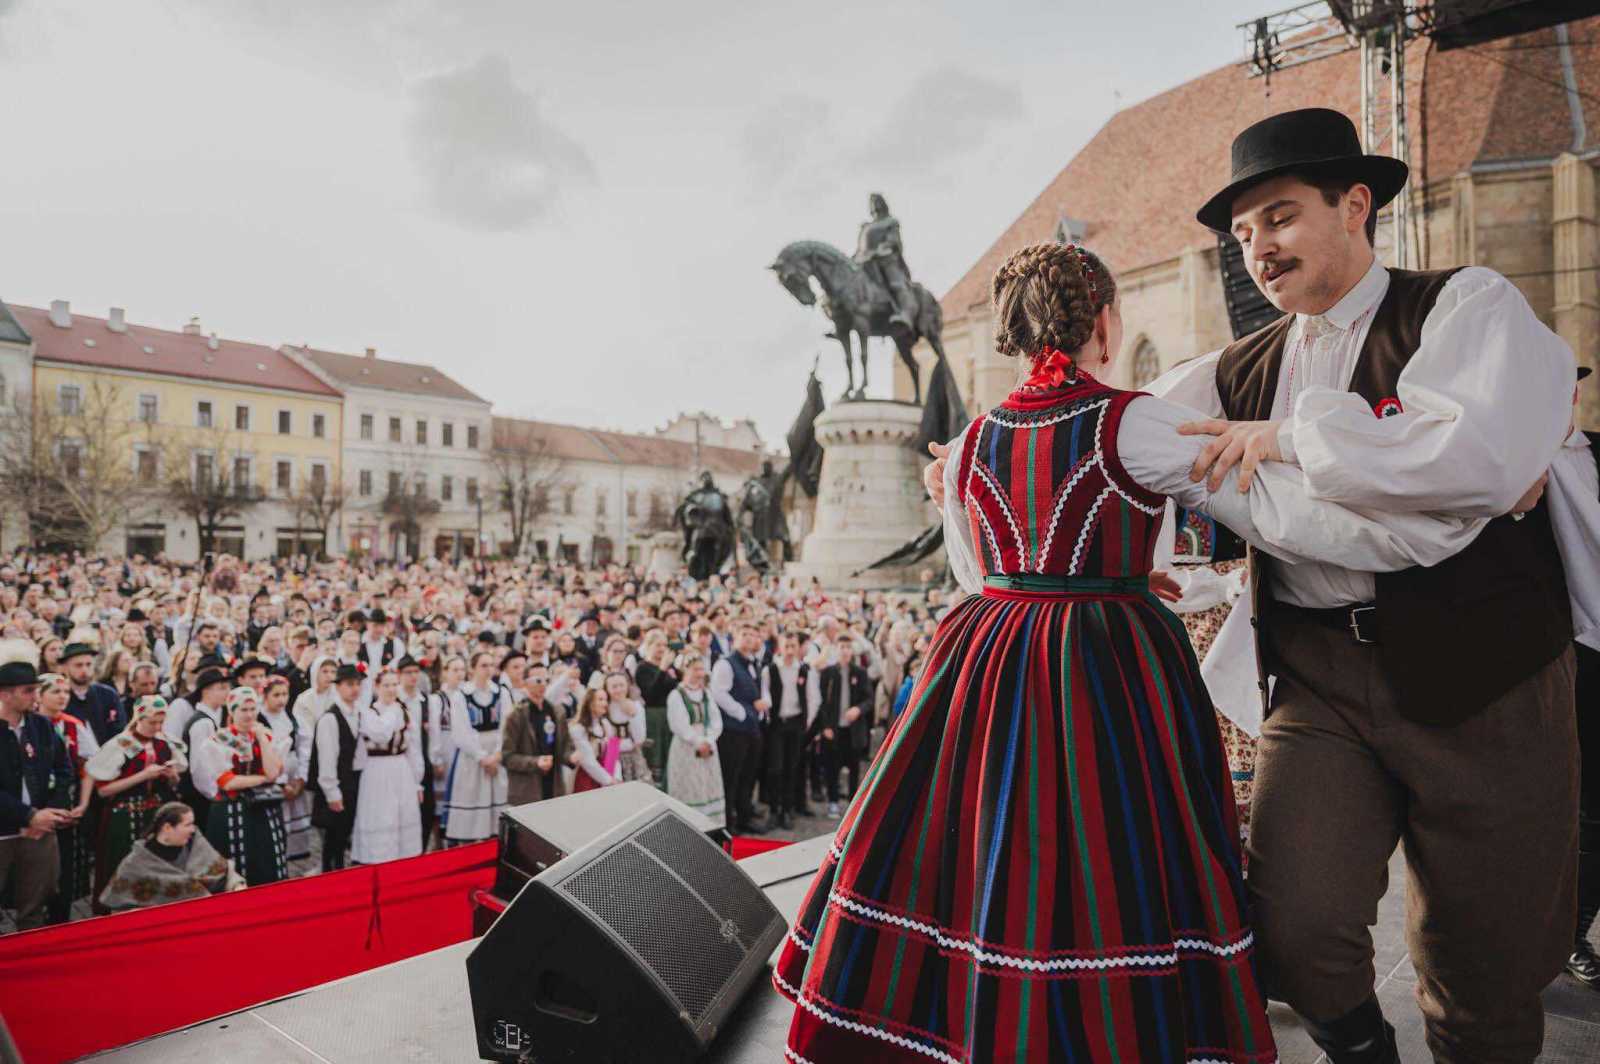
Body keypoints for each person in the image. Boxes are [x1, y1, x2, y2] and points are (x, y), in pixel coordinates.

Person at [781, 239, 1491, 1062]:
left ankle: (988, 1012)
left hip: (987, 659)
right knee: (1117, 841)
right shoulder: (1132, 418)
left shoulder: (971, 442)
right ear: (1107, 324)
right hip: (1105, 662)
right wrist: (1444, 512)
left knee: (988, 842)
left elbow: (981, 573)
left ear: (1011, 334)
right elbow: (1270, 512)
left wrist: (1086, 574)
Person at [1167, 108, 1578, 1063]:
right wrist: (982, 451)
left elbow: (1471, 459)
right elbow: (1125, 429)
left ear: (1355, 205)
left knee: (1484, 961)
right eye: (1243, 234)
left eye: (1278, 217)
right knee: (1295, 927)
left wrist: (1290, 440)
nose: (1259, 249)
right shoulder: (1235, 367)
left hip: (1488, 678)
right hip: (1316, 678)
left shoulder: (1464, 307)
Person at [86, 694, 185, 913]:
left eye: (161, 722)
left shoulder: (164, 743)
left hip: (155, 818)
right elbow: (103, 790)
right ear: (139, 717)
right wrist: (143, 775)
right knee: (124, 869)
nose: (157, 727)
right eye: (152, 722)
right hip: (125, 818)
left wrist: (171, 775)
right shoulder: (120, 744)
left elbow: (176, 780)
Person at [0, 649, 73, 932]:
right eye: (29, 690)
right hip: (4, 832)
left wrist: (49, 814)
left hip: (41, 832)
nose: (35, 696)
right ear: (6, 694)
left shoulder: (41, 726)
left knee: (34, 910)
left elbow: (64, 771)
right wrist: (29, 815)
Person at [192, 686, 288, 886]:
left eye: (253, 709)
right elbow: (228, 782)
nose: (249, 714)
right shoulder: (218, 741)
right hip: (232, 809)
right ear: (232, 711)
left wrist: (262, 739)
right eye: (243, 710)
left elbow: (273, 771)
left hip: (263, 808)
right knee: (235, 863)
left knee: (266, 860)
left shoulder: (267, 737)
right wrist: (263, 780)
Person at [34, 672, 97, 923]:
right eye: (55, 692)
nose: (62, 697)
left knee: (65, 863)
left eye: (66, 692)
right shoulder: (28, 724)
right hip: (35, 804)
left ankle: (60, 917)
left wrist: (83, 803)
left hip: (67, 802)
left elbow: (89, 767)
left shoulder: (72, 724)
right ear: (39, 695)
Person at [97, 801, 236, 912]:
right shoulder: (136, 863)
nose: (193, 829)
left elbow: (225, 872)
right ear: (168, 828)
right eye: (187, 825)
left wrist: (237, 885)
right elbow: (120, 906)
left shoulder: (195, 844)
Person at [351, 669, 423, 864]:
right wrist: (394, 711)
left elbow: (414, 749)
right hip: (376, 770)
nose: (391, 689)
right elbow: (380, 734)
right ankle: (378, 861)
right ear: (376, 687)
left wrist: (418, 782)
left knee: (402, 816)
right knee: (381, 815)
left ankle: (402, 865)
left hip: (401, 770)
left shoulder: (404, 712)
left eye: (394, 684)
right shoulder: (368, 713)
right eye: (386, 685)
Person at [442, 651, 509, 845]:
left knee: (497, 810)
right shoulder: (461, 695)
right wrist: (482, 757)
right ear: (473, 669)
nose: (488, 670)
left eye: (491, 665)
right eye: (483, 666)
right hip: (472, 758)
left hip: (497, 755)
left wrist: (496, 755)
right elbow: (460, 732)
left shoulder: (501, 692)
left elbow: (506, 726)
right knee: (472, 804)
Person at [709, 622, 769, 834]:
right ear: (735, 637)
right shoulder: (725, 664)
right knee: (731, 778)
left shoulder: (755, 663)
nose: (749, 638)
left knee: (748, 776)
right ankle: (728, 823)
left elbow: (761, 690)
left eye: (753, 634)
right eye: (744, 634)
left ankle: (745, 817)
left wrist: (760, 710)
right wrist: (742, 713)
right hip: (733, 731)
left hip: (752, 728)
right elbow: (719, 693)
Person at [310, 663, 366, 872]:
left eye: (357, 684)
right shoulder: (330, 719)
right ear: (339, 687)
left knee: (343, 838)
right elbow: (327, 758)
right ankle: (330, 876)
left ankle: (340, 873)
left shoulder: (359, 713)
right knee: (333, 841)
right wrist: (332, 792)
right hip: (337, 788)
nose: (355, 689)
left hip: (352, 784)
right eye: (350, 684)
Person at [760, 632, 818, 829]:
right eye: (787, 646)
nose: (790, 650)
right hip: (777, 723)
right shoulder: (770, 670)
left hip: (795, 724)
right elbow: (765, 695)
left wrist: (806, 722)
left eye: (793, 646)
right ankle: (774, 809)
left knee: (791, 768)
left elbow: (813, 698)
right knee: (775, 768)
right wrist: (768, 719)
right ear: (780, 648)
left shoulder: (804, 670)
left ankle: (787, 809)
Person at [813, 630, 871, 819]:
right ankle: (833, 801)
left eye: (848, 647)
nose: (845, 651)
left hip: (853, 729)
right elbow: (821, 702)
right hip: (834, 729)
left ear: (852, 651)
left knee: (854, 767)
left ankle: (853, 804)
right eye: (842, 647)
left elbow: (869, 699)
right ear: (836, 650)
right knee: (832, 767)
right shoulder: (828, 673)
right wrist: (825, 726)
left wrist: (858, 710)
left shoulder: (860, 673)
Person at [664, 653, 723, 826]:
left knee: (707, 785)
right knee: (688, 787)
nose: (699, 673)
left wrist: (710, 740)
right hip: (686, 747)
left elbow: (715, 719)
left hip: (707, 744)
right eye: (695, 669)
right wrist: (697, 741)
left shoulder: (706, 693)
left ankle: (710, 826)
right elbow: (679, 724)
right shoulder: (676, 695)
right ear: (685, 670)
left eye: (701, 669)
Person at [258, 674, 311, 864]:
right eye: (276, 695)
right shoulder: (259, 720)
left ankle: (294, 859)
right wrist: (280, 785)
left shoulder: (292, 717)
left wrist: (300, 779)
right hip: (272, 779)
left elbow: (304, 747)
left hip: (293, 776)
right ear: (265, 696)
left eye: (284, 694)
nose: (281, 699)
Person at [501, 661, 571, 805]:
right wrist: (535, 762)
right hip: (527, 790)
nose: (543, 684)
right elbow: (507, 757)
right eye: (538, 680)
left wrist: (571, 756)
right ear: (525, 683)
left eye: (547, 680)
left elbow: (564, 747)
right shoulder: (516, 715)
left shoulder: (556, 711)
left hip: (554, 787)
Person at [171, 667, 230, 830]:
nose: (227, 692)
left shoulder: (209, 719)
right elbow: (199, 768)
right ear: (206, 691)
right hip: (200, 799)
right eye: (222, 688)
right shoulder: (202, 723)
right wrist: (215, 795)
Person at [633, 635, 678, 789]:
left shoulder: (670, 667)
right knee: (655, 756)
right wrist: (662, 669)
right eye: (658, 645)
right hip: (653, 717)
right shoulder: (643, 668)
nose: (661, 649)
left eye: (664, 645)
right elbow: (650, 694)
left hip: (669, 717)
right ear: (649, 646)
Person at [61, 641, 124, 744]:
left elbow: (119, 730)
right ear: (65, 668)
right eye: (78, 665)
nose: (84, 670)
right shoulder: (60, 697)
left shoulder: (108, 694)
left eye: (88, 664)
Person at [568, 686, 624, 792]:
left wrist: (616, 777)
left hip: (607, 773)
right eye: (600, 699)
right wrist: (608, 781)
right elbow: (587, 761)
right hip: (588, 778)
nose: (605, 703)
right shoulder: (578, 729)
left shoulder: (605, 724)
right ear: (590, 703)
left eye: (606, 700)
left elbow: (613, 753)